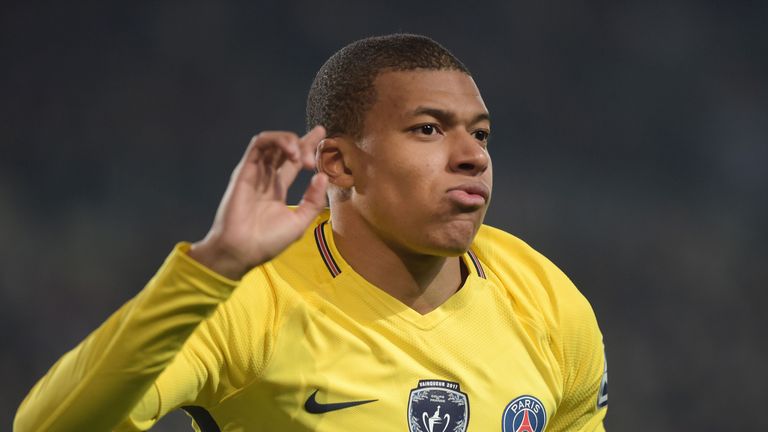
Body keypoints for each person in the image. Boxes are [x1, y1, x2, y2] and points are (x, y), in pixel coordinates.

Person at [15, 34, 608, 432]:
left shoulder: (546, 299)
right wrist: (213, 266)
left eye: (480, 135)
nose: (471, 157)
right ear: (339, 164)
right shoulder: (254, 304)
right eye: (428, 129)